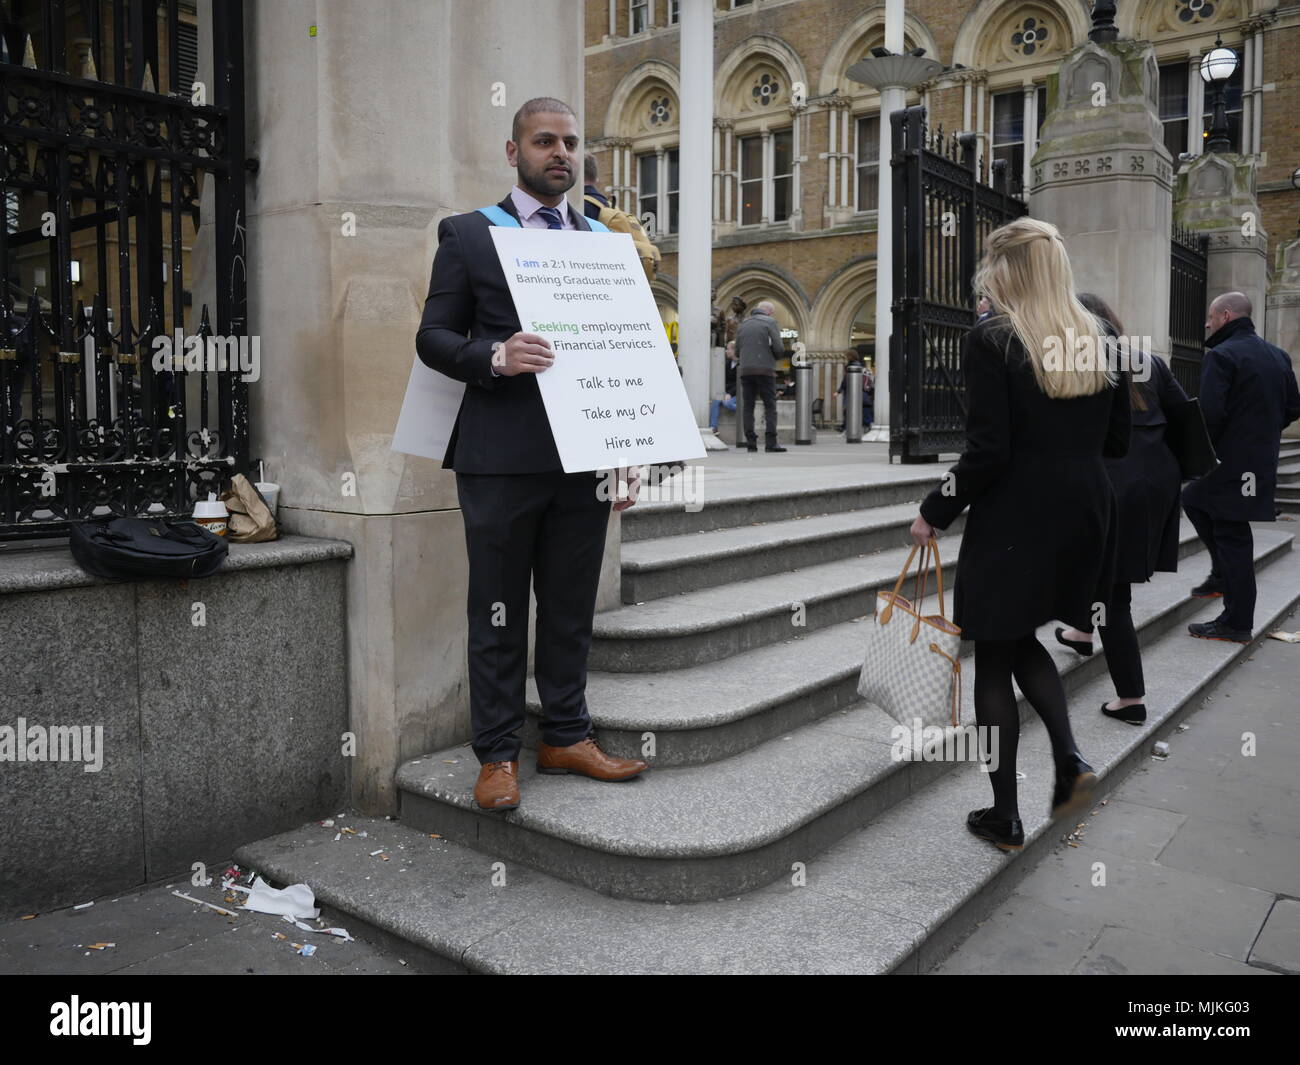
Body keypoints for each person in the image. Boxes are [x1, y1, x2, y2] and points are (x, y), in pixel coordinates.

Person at [415, 96, 648, 813]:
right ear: (513, 151)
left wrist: (628, 445)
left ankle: (567, 735)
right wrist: (495, 353)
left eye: (572, 143)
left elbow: (626, 350)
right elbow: (432, 338)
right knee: (497, 610)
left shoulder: (606, 243)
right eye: (545, 141)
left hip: (585, 459)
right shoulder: (468, 235)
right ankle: (496, 753)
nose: (562, 153)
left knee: (571, 609)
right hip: (501, 459)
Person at [909, 217, 1131, 853]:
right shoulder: (1103, 338)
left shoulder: (995, 339)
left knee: (994, 654)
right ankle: (1069, 761)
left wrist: (934, 509)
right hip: (1085, 511)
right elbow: (1116, 443)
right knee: (1020, 638)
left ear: (1009, 269)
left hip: (1015, 516)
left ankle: (1005, 814)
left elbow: (987, 452)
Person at [1054, 293, 1187, 726]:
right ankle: (1081, 631)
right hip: (1155, 480)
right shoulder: (1148, 361)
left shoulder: (1077, 363)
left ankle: (1131, 699)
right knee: (1106, 573)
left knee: (1114, 594)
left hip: (1112, 482)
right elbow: (1185, 416)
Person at [1181, 292, 1300, 642]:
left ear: (1226, 316)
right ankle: (1221, 575)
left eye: (1211, 317)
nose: (1206, 323)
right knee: (1193, 501)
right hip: (1258, 462)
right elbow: (1293, 407)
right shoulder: (1277, 355)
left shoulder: (1222, 355)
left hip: (1229, 463)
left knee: (1232, 535)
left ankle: (1236, 622)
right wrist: (1260, 433)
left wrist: (1200, 452)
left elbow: (1210, 415)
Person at [736, 300, 787, 453]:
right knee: (770, 406)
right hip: (765, 370)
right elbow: (779, 348)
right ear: (769, 312)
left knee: (748, 406)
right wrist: (773, 356)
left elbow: (738, 350)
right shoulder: (770, 322)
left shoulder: (743, 325)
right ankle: (771, 443)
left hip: (746, 370)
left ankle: (751, 442)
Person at [709, 340, 738, 434]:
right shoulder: (727, 363)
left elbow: (740, 383)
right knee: (715, 401)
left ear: (734, 351)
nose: (726, 351)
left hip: (738, 393)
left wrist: (730, 393)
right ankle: (713, 427)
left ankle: (744, 411)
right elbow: (723, 380)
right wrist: (724, 392)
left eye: (728, 349)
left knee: (728, 404)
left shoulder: (742, 364)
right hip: (727, 392)